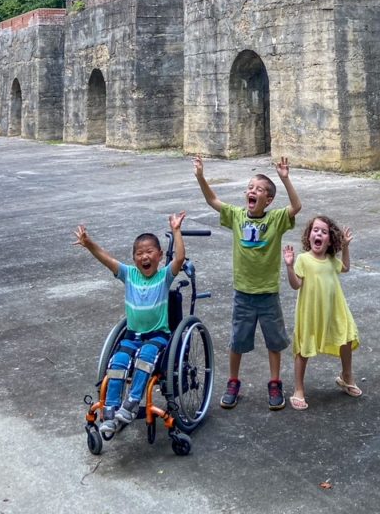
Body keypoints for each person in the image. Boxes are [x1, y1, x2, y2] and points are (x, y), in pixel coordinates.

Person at [193, 154, 301, 411]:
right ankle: (233, 382)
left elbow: (296, 207)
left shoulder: (274, 219)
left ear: (269, 199)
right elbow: (212, 200)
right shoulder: (237, 216)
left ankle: (274, 382)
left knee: (275, 341)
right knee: (237, 341)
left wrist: (285, 179)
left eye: (260, 189)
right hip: (243, 293)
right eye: (250, 188)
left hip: (268, 293)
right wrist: (200, 176)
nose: (253, 192)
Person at [74, 212, 186, 438]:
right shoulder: (128, 274)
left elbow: (180, 259)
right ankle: (111, 410)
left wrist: (176, 230)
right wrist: (88, 244)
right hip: (132, 335)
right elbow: (106, 258)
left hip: (157, 336)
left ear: (160, 256)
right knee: (118, 362)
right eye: (139, 253)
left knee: (145, 359)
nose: (145, 256)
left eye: (149, 252)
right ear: (134, 259)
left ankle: (132, 403)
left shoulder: (164, 276)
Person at [283, 214, 361, 410]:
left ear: (329, 241)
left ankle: (346, 376)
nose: (318, 233)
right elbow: (295, 285)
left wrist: (345, 248)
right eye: (315, 230)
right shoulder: (303, 259)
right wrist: (290, 267)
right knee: (304, 348)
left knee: (346, 338)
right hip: (311, 312)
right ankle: (299, 389)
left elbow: (345, 268)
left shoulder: (330, 259)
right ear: (309, 236)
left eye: (324, 232)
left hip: (335, 309)